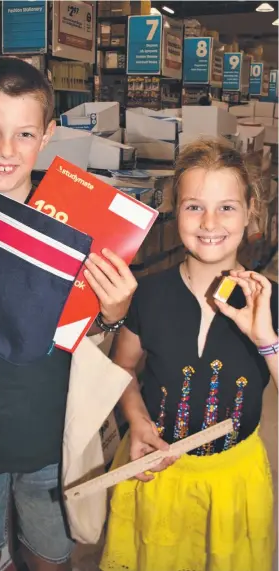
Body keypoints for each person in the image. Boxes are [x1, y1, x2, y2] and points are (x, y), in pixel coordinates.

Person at [0, 57, 137, 571]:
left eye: (24, 133)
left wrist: (112, 313)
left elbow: (92, 341)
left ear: (48, 134)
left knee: (51, 557)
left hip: (50, 441)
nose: (6, 150)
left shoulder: (77, 230)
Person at [100, 138, 278, 571]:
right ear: (174, 210)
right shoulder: (150, 294)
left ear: (251, 209)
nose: (210, 222)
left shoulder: (266, 301)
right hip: (157, 475)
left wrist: (265, 338)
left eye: (227, 207)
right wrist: (138, 422)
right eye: (194, 206)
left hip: (233, 479)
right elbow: (123, 366)